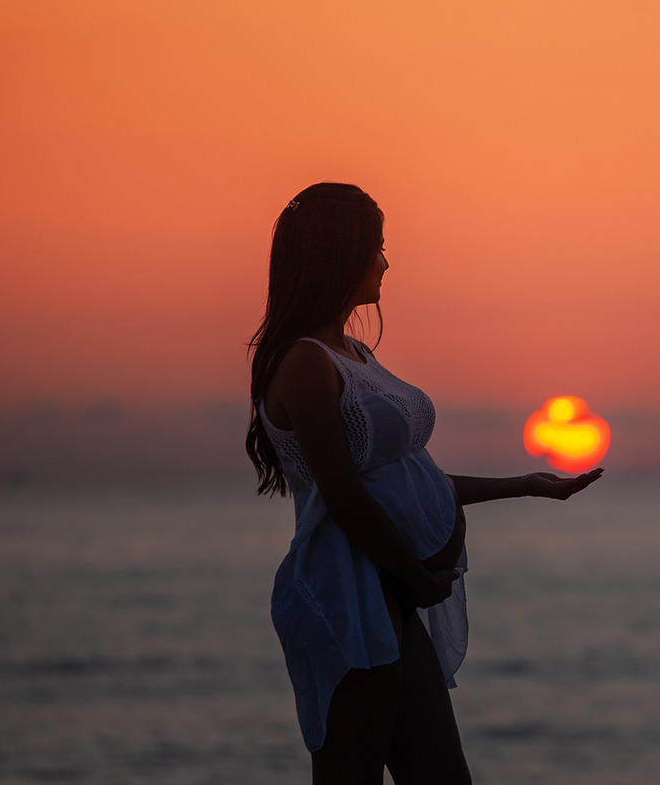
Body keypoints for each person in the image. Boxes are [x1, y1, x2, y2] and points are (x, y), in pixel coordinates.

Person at [245, 182, 602, 784]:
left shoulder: (354, 353)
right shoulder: (307, 362)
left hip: (392, 590)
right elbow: (346, 499)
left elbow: (413, 483)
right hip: (349, 594)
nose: (386, 262)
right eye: (377, 246)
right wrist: (418, 578)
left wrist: (526, 484)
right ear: (340, 254)